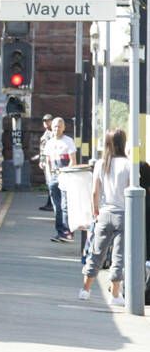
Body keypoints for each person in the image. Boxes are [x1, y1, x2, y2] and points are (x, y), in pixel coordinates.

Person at [79, 129, 130, 308]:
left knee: (96, 253)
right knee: (118, 257)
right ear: (123, 143)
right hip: (123, 215)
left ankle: (85, 290)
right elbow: (130, 192)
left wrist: (95, 211)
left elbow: (95, 192)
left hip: (104, 214)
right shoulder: (128, 164)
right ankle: (115, 295)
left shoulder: (101, 164)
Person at [46, 117, 77, 242]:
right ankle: (60, 232)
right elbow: (48, 162)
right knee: (57, 207)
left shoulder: (68, 141)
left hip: (65, 177)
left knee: (65, 205)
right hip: (53, 177)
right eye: (54, 127)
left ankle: (67, 232)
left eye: (59, 126)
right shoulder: (49, 143)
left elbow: (73, 160)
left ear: (63, 127)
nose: (56, 129)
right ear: (51, 128)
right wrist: (49, 177)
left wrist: (65, 173)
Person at [37, 114, 54, 211]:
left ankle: (51, 203)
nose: (46, 122)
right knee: (49, 183)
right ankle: (49, 203)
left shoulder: (52, 134)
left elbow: (47, 150)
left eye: (48, 120)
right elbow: (42, 150)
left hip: (50, 162)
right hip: (46, 162)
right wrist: (41, 160)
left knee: (50, 182)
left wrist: (44, 161)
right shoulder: (47, 133)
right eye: (44, 121)